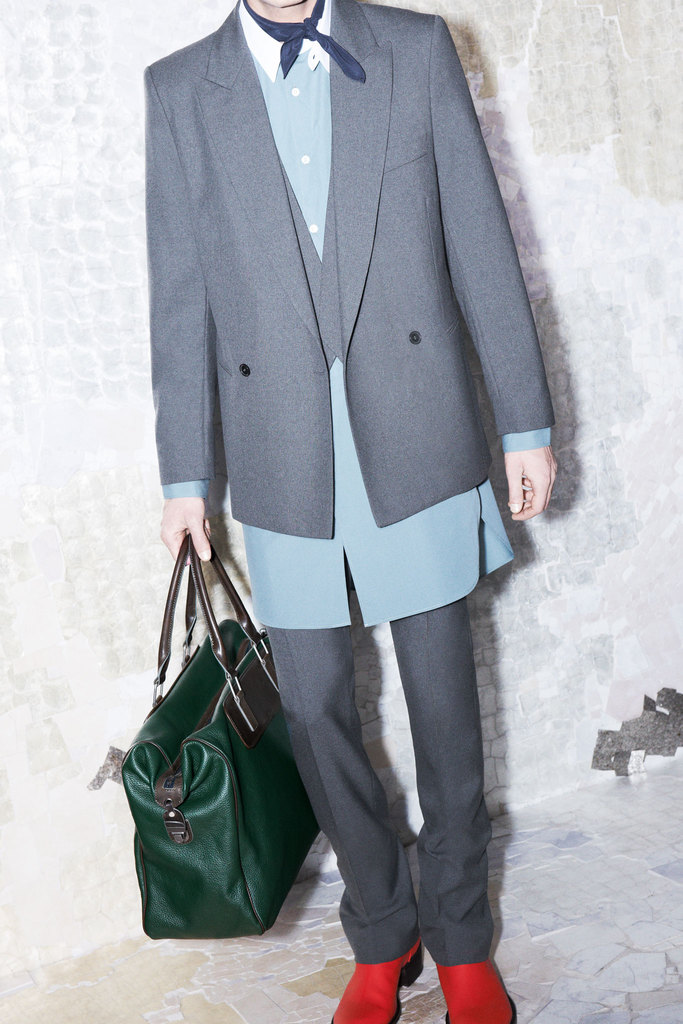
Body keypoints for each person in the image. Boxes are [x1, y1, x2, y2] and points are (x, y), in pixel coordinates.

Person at [144, 0, 557, 1020]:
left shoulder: (413, 50)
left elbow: (480, 241)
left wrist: (524, 422)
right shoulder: (178, 91)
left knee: (442, 703)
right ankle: (383, 929)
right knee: (317, 710)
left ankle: (459, 935)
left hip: (417, 428)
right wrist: (185, 476)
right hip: (279, 450)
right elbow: (180, 294)